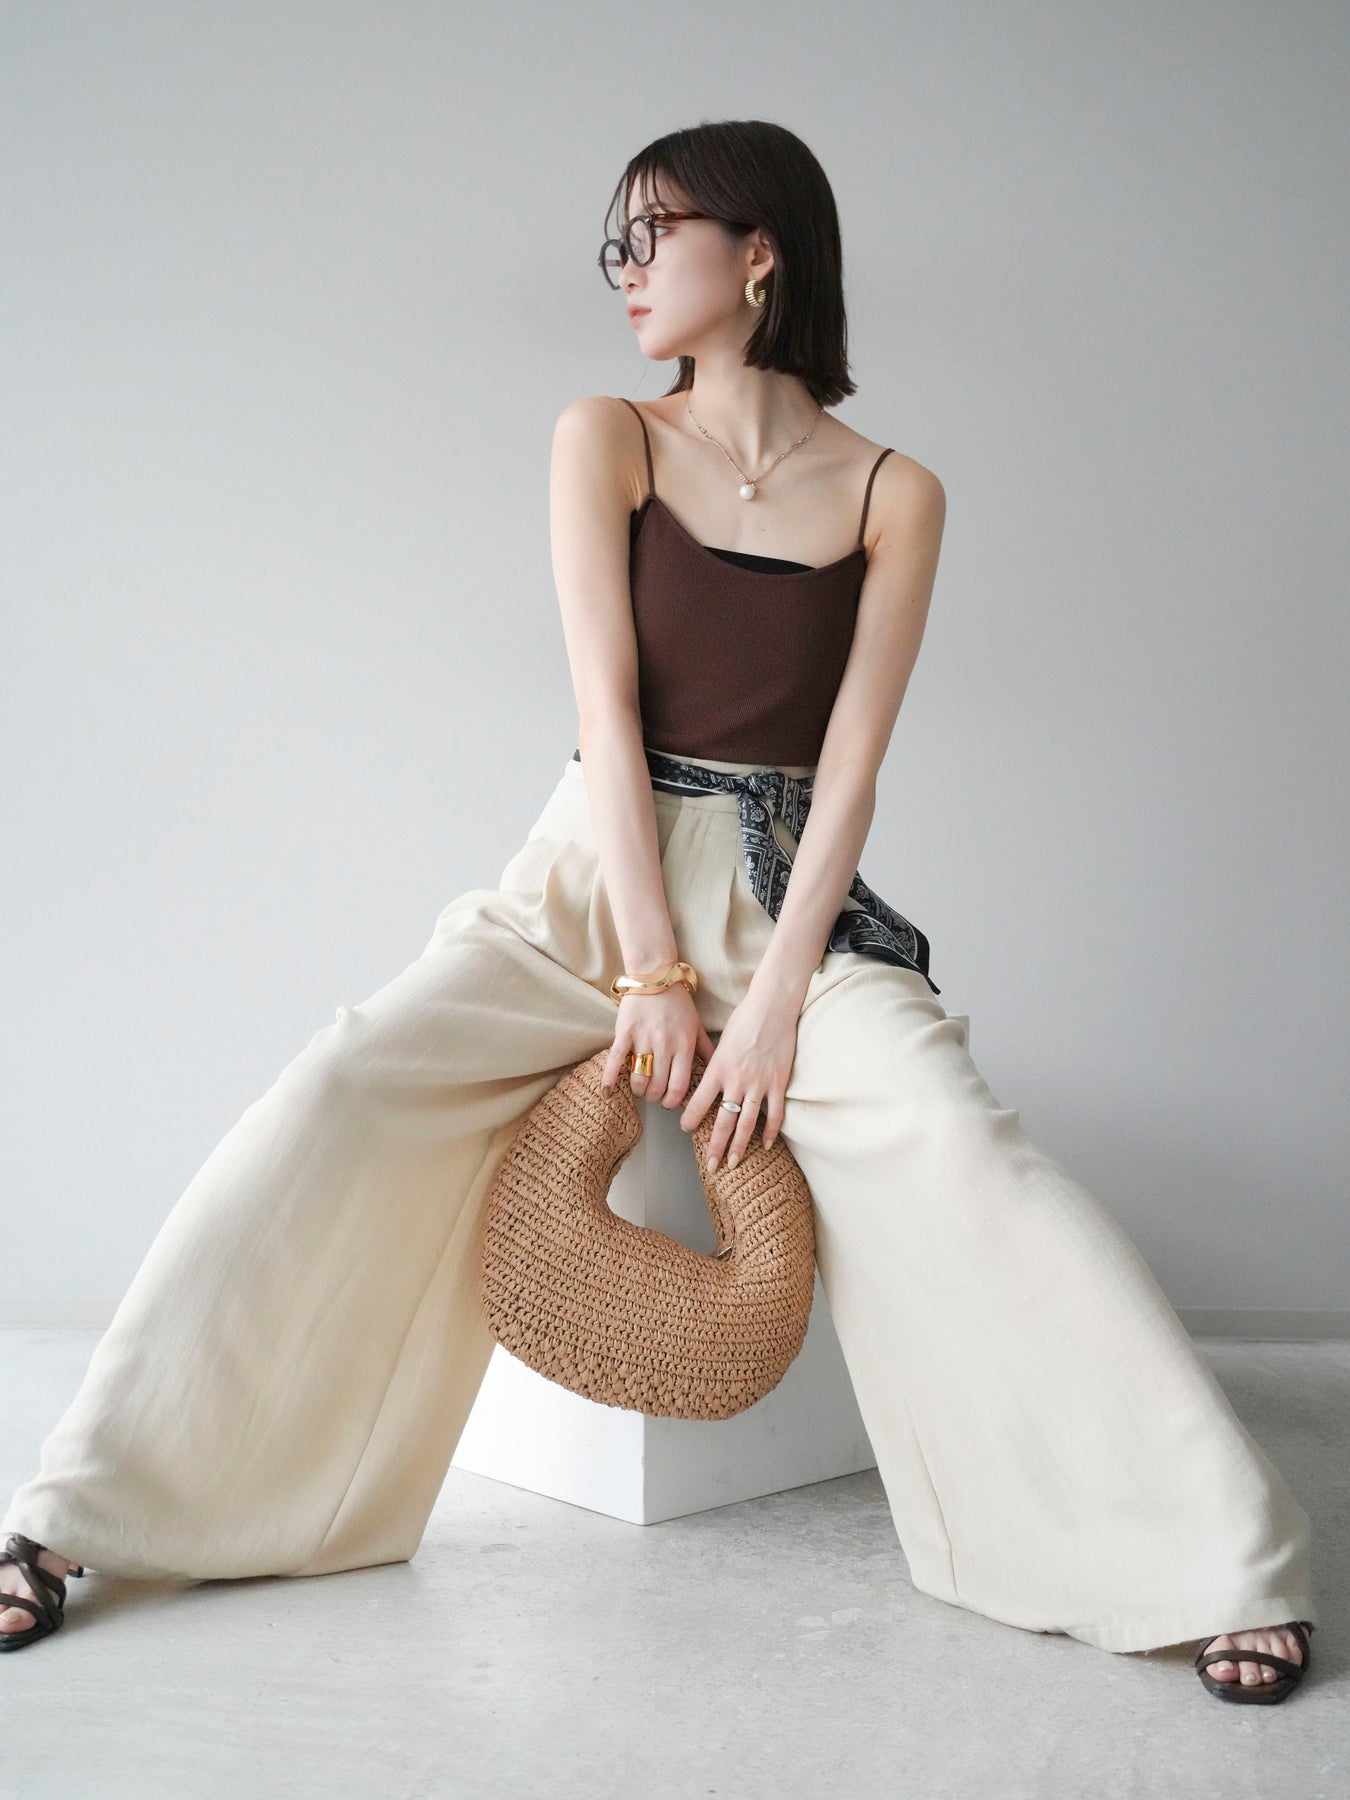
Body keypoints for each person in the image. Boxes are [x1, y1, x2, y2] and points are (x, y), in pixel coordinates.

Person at [2, 119, 1316, 1704]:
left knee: (961, 1142)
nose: (622, 269)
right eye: (612, 244)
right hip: (591, 883)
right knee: (341, 1083)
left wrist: (772, 1004)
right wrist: (647, 971)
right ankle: (79, 1519)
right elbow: (606, 718)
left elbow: (850, 773)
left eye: (652, 233)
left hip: (786, 898)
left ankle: (1209, 1565)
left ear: (757, 252)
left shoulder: (894, 490)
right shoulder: (606, 435)